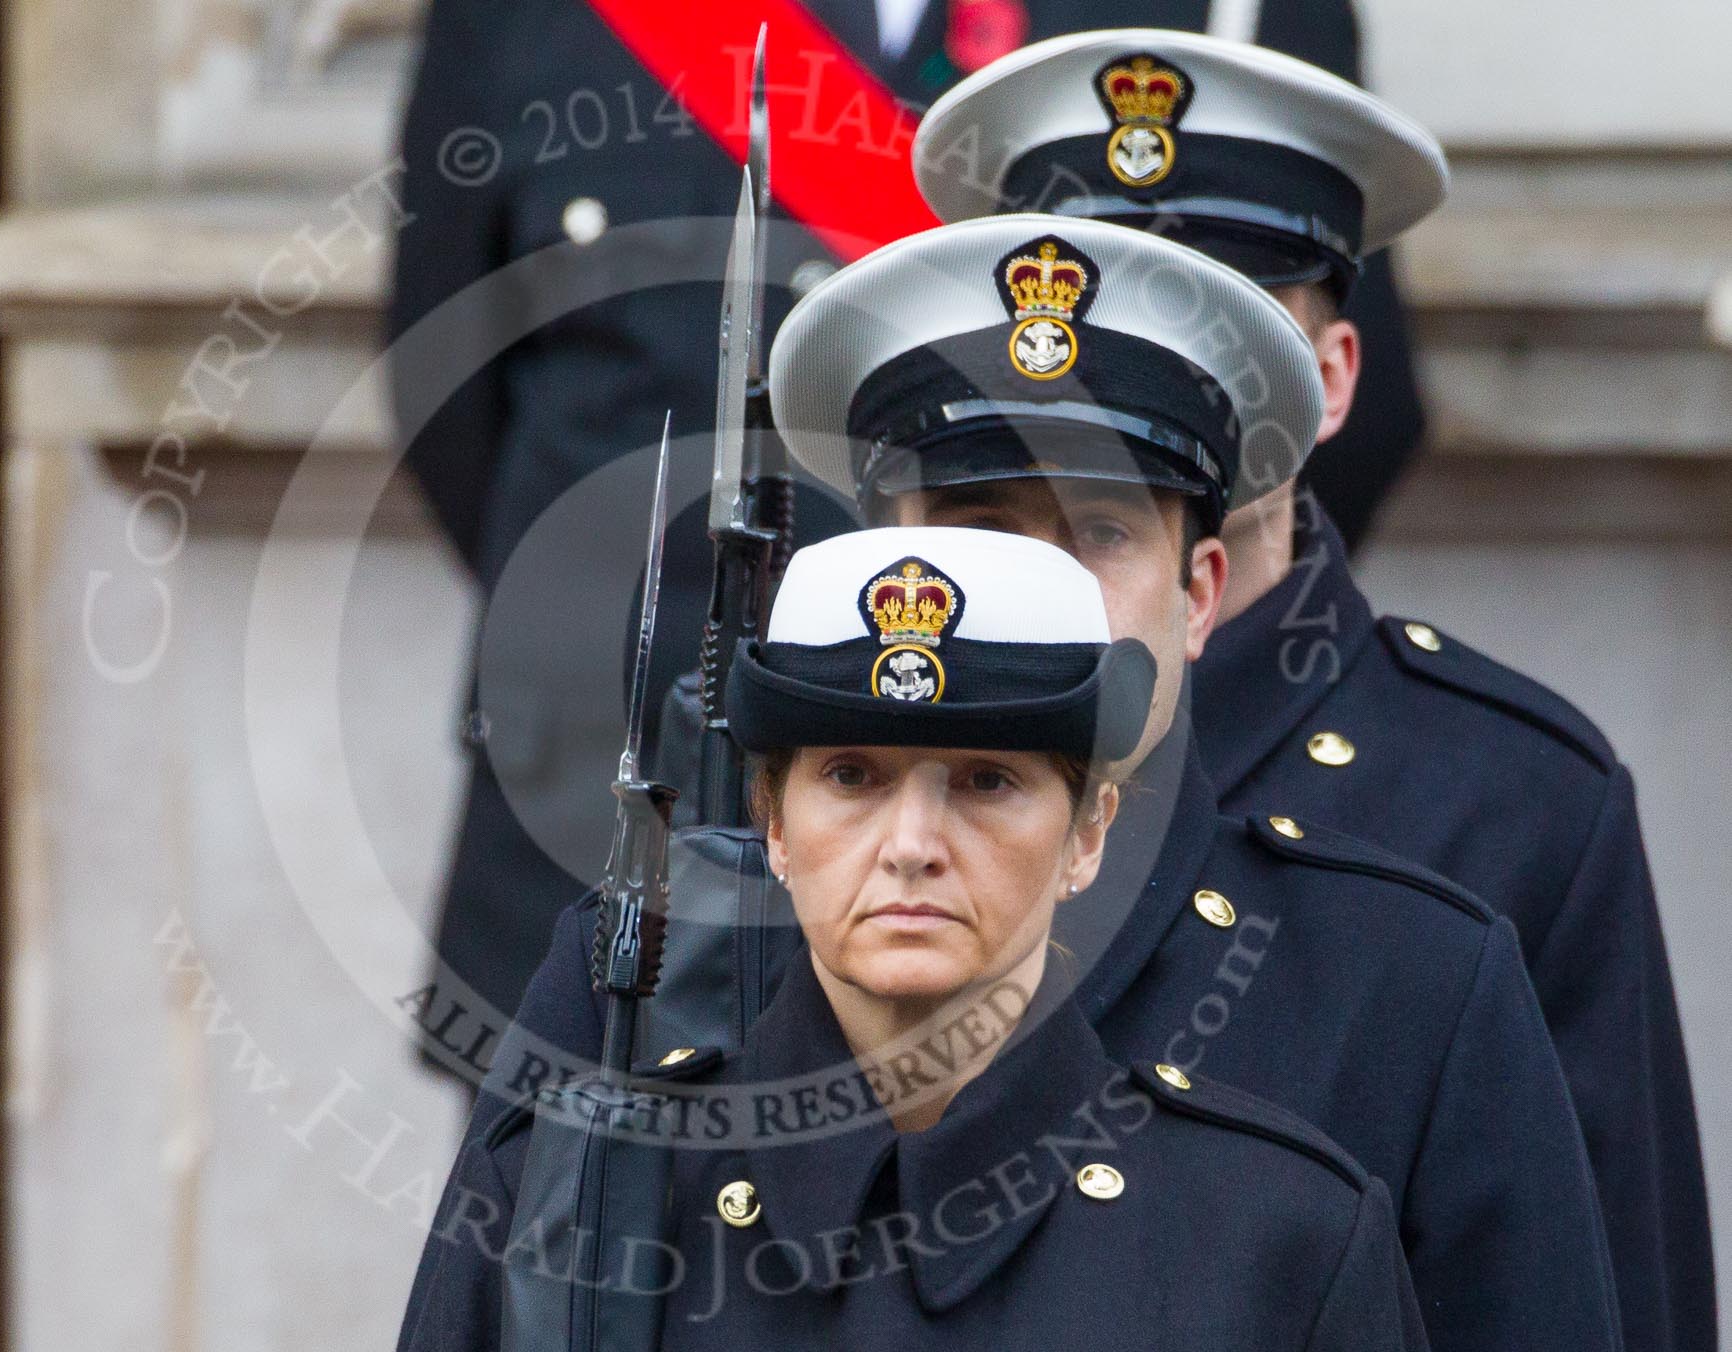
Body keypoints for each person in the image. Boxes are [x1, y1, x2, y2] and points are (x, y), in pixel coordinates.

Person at [453, 216, 1622, 1352]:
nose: (1035, 595)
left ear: (1202, 589)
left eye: (1102, 533)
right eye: (978, 526)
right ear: (886, 558)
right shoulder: (653, 957)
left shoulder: (1410, 980)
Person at [903, 31, 1711, 1352]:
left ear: (1332, 378)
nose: (1134, 379)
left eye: (1205, 322)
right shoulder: (841, 788)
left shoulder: (1512, 799)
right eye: (1097, 316)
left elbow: (1610, 1302)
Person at [388, 0, 1421, 1032]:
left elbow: (1305, 439)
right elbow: (445, 386)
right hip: (608, 829)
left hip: (1031, 876)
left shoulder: (1221, 21)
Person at [399, 526, 1430, 1352]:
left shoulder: (1278, 1239)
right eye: (852, 775)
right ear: (772, 821)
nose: (912, 845)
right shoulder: (569, 1195)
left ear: (1088, 834)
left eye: (988, 781)